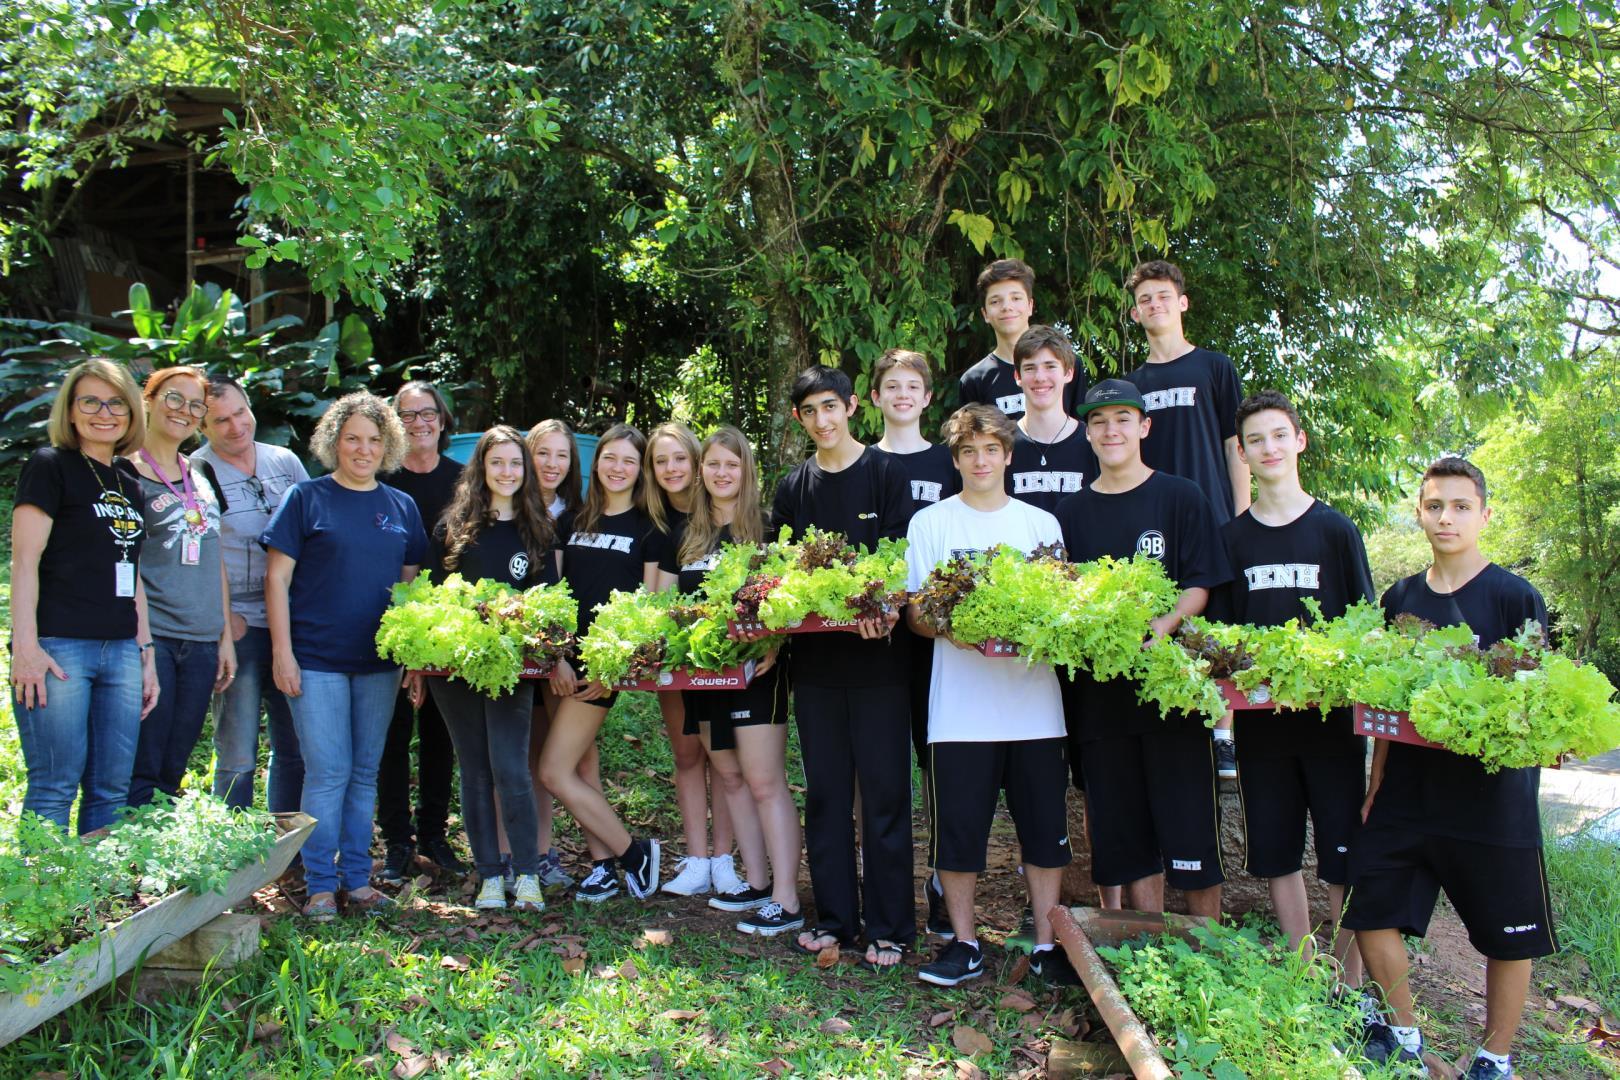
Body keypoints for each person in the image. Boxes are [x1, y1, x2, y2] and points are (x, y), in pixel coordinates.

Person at [1344, 457, 1555, 1080]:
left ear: (1484, 515)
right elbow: (1382, 699)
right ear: (1419, 513)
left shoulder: (1517, 596)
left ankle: (1494, 1060)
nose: (1447, 517)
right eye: (1435, 505)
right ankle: (1403, 1035)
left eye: (1461, 506)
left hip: (1493, 801)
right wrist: (1376, 777)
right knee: (1370, 908)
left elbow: (1541, 706)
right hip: (1406, 793)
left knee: (1507, 936)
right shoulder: (1399, 598)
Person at [905, 404, 1079, 987]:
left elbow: (1063, 610)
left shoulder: (1040, 525)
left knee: (1044, 837)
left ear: (1008, 455)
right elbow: (917, 614)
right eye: (968, 452)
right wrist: (959, 628)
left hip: (1035, 708)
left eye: (990, 450)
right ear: (956, 461)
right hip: (960, 713)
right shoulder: (932, 524)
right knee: (959, 837)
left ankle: (1048, 945)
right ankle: (965, 942)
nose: (980, 461)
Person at [1054, 379, 1232, 920]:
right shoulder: (1071, 512)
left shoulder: (1181, 496)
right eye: (1100, 422)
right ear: (1087, 433)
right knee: (1126, 836)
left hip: (1171, 696)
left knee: (1190, 832)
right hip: (1100, 700)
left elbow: (1201, 581)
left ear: (1144, 427)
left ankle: (1212, 950)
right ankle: (1147, 942)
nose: (1112, 431)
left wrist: (1167, 621)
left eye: (1123, 419)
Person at [1217, 391, 1372, 981]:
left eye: (1279, 435)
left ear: (1299, 441)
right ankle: (1303, 970)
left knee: (1342, 856)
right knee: (1277, 852)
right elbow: (1222, 641)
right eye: (1256, 440)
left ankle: (1350, 979)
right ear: (1242, 453)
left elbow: (1364, 628)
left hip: (1331, 727)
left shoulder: (1335, 530)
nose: (1269, 448)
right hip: (1263, 729)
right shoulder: (1234, 540)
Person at [262, 391, 428, 919]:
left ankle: (357, 881)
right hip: (315, 660)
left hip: (377, 665)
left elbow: (410, 592)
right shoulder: (307, 499)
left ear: (389, 446)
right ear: (334, 441)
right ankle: (317, 886)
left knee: (363, 773)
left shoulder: (401, 507)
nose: (363, 449)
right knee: (327, 772)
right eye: (352, 438)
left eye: (374, 440)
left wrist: (412, 658)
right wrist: (282, 653)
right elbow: (276, 578)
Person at [771, 365, 915, 966]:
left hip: (880, 663)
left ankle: (891, 927)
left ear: (854, 405)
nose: (823, 420)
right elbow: (778, 573)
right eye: (810, 411)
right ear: (801, 419)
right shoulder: (792, 487)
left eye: (831, 406)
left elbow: (899, 560)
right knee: (827, 795)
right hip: (817, 668)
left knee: (883, 795)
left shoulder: (887, 474)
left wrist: (880, 605)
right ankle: (834, 919)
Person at [654, 427, 804, 934]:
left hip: (758, 676)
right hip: (704, 677)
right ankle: (757, 885)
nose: (721, 473)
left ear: (746, 472)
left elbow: (788, 602)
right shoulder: (687, 535)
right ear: (702, 471)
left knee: (764, 781)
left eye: (731, 465)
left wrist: (775, 642)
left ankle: (787, 899)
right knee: (732, 778)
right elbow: (669, 609)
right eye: (713, 464)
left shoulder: (766, 529)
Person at [408, 426, 556, 913]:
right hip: (454, 670)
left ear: (525, 471)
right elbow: (426, 600)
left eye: (515, 464)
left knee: (512, 768)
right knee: (473, 770)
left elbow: (551, 605)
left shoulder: (536, 530)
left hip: (509, 669)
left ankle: (528, 875)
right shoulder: (451, 527)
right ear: (481, 468)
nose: (507, 472)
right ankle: (490, 874)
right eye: (498, 463)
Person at [9, 359, 158, 833]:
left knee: (112, 790)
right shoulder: (49, 466)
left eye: (116, 402)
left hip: (120, 650)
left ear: (132, 413)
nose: (104, 413)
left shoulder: (129, 483)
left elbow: (131, 574)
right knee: (54, 784)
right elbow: (24, 562)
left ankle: (98, 902)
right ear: (70, 411)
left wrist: (146, 650)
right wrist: (25, 648)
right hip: (59, 648)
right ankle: (46, 903)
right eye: (90, 401)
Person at [1122, 259, 1249, 780]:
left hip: (1213, 515)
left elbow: (1233, 444)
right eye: (1145, 299)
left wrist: (1242, 517)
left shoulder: (1214, 368)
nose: (1154, 305)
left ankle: (1223, 737)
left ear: (1182, 302)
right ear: (1135, 313)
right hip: (1152, 524)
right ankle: (1166, 727)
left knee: (1210, 626)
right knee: (1159, 621)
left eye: (1162, 295)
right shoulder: (1131, 383)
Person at [537, 423, 663, 902]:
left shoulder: (649, 530)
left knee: (553, 770)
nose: (618, 468)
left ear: (640, 470)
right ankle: (603, 866)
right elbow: (555, 596)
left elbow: (649, 608)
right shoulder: (571, 521)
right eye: (610, 458)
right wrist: (555, 659)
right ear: (597, 463)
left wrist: (613, 671)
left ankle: (634, 853)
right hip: (562, 666)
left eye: (629, 461)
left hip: (602, 669)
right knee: (580, 767)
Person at [869, 347, 959, 937]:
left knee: (939, 764)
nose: (902, 394)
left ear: (927, 398)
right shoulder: (857, 463)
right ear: (874, 397)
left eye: (913, 386)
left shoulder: (949, 463)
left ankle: (941, 879)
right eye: (891, 386)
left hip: (933, 636)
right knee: (880, 768)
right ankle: (883, 881)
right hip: (873, 638)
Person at [123, 365, 236, 807]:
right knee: (142, 762)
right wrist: (144, 644)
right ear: (147, 400)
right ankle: (126, 866)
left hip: (204, 640)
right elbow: (124, 561)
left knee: (174, 764)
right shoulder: (123, 472)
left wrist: (225, 635)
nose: (184, 411)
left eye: (196, 405)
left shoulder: (202, 471)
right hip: (156, 637)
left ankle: (159, 865)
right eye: (174, 398)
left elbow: (215, 558)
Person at [196, 375, 308, 813]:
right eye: (220, 420)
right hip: (238, 625)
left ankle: (288, 851)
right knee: (238, 752)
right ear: (202, 427)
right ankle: (230, 860)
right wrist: (223, 619)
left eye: (240, 412)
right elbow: (198, 556)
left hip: (291, 622)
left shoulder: (285, 461)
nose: (236, 426)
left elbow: (311, 536)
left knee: (294, 746)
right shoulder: (196, 471)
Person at [641, 421, 740, 898]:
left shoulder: (742, 524)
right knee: (687, 755)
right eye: (660, 460)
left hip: (728, 667)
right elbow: (655, 600)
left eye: (681, 458)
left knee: (724, 760)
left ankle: (723, 859)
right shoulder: (675, 531)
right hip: (682, 665)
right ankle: (696, 858)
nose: (672, 469)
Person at [378, 381, 466, 882]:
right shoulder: (382, 480)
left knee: (440, 735)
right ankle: (396, 840)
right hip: (390, 626)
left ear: (442, 418)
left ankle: (434, 833)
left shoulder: (462, 481)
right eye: (406, 415)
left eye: (427, 413)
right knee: (392, 737)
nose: (418, 423)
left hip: (450, 630)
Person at [512, 417, 592, 888]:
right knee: (522, 753)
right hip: (514, 651)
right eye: (543, 452)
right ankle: (521, 853)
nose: (552, 463)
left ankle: (560, 855)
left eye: (562, 455)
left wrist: (560, 653)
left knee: (566, 755)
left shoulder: (578, 514)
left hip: (562, 654)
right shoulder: (506, 503)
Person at [958, 259, 1084, 420]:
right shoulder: (974, 380)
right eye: (995, 301)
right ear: (985, 314)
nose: (1006, 307)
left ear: (1030, 306)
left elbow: (1082, 432)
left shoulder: (1067, 364)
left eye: (1016, 298)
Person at [1003, 326, 1099, 515]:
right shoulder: (1001, 444)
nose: (1040, 377)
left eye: (1050, 366)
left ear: (1069, 373)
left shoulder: (1094, 443)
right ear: (1017, 376)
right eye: (1030, 368)